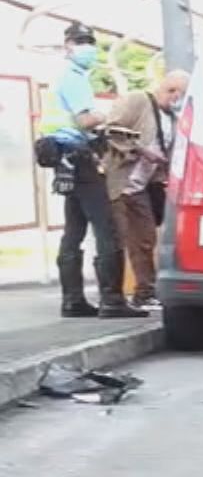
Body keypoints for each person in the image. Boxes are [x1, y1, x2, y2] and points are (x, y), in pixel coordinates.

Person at [41, 23, 144, 319]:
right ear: (67, 46)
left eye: (89, 41)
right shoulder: (74, 78)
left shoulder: (62, 76)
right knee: (107, 225)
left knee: (74, 227)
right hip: (79, 157)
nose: (86, 46)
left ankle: (72, 300)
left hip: (63, 159)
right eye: (80, 41)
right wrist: (105, 116)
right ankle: (112, 300)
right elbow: (85, 120)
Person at [102, 70, 188, 311]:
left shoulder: (172, 118)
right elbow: (111, 130)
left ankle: (145, 292)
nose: (176, 99)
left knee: (145, 239)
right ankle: (114, 296)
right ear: (169, 90)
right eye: (175, 93)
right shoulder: (138, 100)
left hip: (142, 186)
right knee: (118, 240)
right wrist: (140, 150)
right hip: (118, 182)